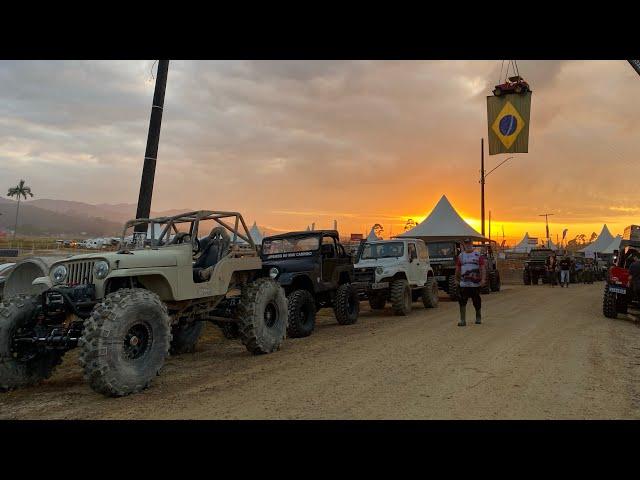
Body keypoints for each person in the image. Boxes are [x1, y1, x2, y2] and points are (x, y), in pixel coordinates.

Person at [455, 237, 487, 326]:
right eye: (466, 244)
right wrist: (456, 279)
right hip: (464, 283)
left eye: (469, 243)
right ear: (464, 245)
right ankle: (462, 320)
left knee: (476, 300)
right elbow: (457, 268)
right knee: (462, 300)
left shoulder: (477, 255)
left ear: (472, 244)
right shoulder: (461, 256)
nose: (468, 245)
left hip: (475, 283)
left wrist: (483, 279)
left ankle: (478, 317)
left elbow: (482, 268)